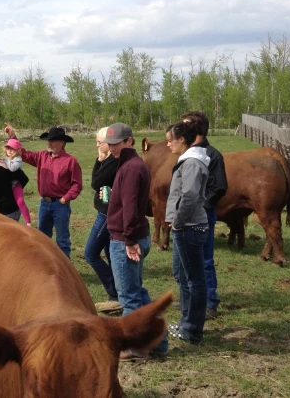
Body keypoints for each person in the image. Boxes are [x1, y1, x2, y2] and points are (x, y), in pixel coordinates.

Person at [104, 122, 168, 360]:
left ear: (129, 141)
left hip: (126, 239)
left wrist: (129, 240)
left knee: (129, 296)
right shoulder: (131, 164)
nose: (112, 148)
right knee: (138, 293)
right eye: (109, 144)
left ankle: (134, 347)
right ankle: (159, 343)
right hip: (132, 235)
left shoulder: (131, 168)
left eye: (117, 144)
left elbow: (130, 207)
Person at [3, 123, 83, 258]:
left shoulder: (70, 161)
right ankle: (45, 268)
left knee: (62, 240)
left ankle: (66, 271)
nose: (49, 143)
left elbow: (77, 184)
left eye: (52, 140)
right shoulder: (42, 156)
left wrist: (66, 198)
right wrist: (13, 136)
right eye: (48, 140)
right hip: (44, 204)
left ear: (61, 142)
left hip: (60, 204)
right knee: (42, 238)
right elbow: (23, 153)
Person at [165, 121, 210, 344]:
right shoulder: (189, 160)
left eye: (170, 140)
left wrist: (178, 222)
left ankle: (192, 330)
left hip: (189, 227)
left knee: (194, 281)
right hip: (187, 226)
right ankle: (185, 324)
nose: (168, 144)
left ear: (182, 139)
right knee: (185, 278)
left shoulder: (192, 162)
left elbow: (190, 196)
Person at [182, 111, 227, 320]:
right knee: (186, 260)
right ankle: (190, 298)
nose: (180, 130)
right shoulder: (186, 152)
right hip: (186, 217)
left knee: (204, 259)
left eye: (186, 126)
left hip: (203, 216)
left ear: (197, 130)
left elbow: (219, 187)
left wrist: (200, 206)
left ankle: (210, 302)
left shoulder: (212, 155)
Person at [85, 127, 120, 312]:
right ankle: (116, 295)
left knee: (90, 253)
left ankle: (115, 293)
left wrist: (99, 161)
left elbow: (96, 183)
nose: (97, 145)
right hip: (105, 211)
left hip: (108, 214)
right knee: (110, 255)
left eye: (100, 142)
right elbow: (96, 182)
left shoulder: (113, 161)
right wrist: (99, 161)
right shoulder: (107, 160)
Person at [2, 138, 32, 226]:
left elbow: (13, 168)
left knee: (20, 201)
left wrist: (5, 160)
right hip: (7, 184)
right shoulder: (6, 159)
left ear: (18, 150)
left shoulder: (18, 159)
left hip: (15, 184)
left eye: (12, 149)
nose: (10, 151)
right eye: (8, 148)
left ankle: (28, 222)